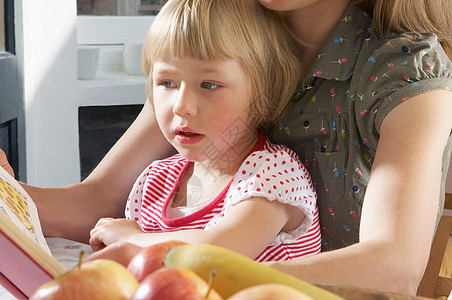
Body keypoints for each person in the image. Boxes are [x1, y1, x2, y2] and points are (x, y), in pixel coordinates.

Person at [1, 0, 451, 296]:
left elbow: (393, 265)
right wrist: (8, 192)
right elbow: (96, 201)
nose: (184, 102)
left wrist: (184, 268)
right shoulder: (220, 33)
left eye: (211, 85)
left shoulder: (404, 69)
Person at [88, 0, 321, 262]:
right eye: (167, 82)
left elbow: (218, 250)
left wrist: (132, 239)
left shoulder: (273, 172)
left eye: (209, 84)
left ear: (263, 95)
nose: (182, 106)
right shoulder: (153, 183)